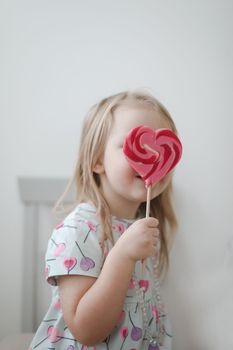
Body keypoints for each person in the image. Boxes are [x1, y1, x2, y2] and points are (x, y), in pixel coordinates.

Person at [29, 90, 180, 350]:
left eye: (161, 145)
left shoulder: (144, 228)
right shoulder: (78, 231)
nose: (153, 156)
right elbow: (86, 330)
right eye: (137, 144)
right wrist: (122, 255)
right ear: (98, 159)